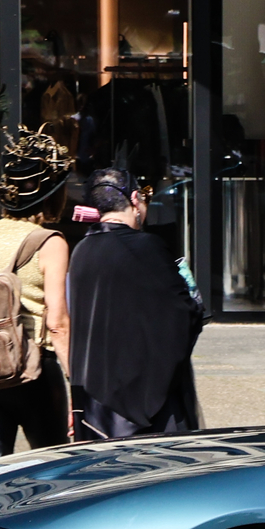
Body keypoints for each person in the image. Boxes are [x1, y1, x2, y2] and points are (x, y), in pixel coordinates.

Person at [66, 168, 208, 440]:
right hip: (143, 406)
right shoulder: (145, 246)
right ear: (134, 199)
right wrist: (195, 301)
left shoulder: (82, 250)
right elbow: (182, 313)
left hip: (95, 401)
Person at [0, 128, 74, 461]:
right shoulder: (49, 242)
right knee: (53, 462)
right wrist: (76, 380)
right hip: (32, 369)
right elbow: (57, 322)